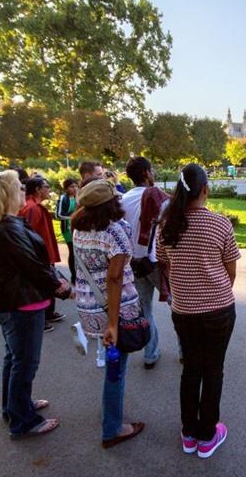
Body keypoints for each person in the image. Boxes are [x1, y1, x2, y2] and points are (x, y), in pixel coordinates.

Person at [0, 170, 71, 439]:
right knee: (25, 363)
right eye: (18, 188)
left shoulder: (2, 223)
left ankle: (14, 408)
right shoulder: (7, 227)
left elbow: (35, 264)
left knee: (15, 359)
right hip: (21, 304)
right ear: (6, 194)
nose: (23, 191)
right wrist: (63, 289)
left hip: (11, 302)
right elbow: (34, 267)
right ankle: (23, 421)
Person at [156, 163, 240, 459]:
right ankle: (207, 435)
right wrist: (214, 290)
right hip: (218, 309)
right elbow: (230, 271)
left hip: (184, 310)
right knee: (213, 370)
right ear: (205, 190)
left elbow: (164, 263)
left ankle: (189, 432)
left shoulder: (166, 226)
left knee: (191, 369)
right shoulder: (220, 224)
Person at [72, 179, 145, 448]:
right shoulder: (115, 232)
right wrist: (113, 323)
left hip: (88, 306)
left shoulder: (79, 229)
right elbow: (114, 279)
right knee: (116, 369)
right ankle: (112, 428)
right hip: (114, 310)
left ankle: (109, 413)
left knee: (111, 365)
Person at [122, 156, 171, 370]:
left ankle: (150, 354)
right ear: (146, 173)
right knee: (176, 305)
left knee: (145, 309)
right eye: (151, 170)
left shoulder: (122, 200)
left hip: (135, 263)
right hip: (157, 261)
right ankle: (185, 351)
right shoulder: (159, 198)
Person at [18, 177, 65, 331]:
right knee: (42, 285)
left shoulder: (35, 206)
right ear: (38, 189)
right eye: (46, 186)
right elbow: (27, 233)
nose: (48, 189)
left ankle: (49, 313)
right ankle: (42, 317)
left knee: (47, 282)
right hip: (39, 255)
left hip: (43, 253)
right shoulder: (31, 208)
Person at [55, 178, 78, 284]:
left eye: (76, 186)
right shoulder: (63, 198)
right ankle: (74, 276)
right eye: (71, 187)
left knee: (78, 252)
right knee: (72, 251)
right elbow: (58, 215)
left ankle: (79, 275)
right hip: (67, 229)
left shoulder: (77, 197)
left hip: (77, 227)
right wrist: (72, 217)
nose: (74, 189)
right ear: (66, 188)